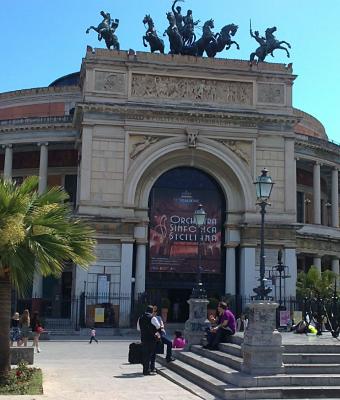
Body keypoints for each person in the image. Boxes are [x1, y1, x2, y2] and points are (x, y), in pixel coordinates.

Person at [137, 305, 161, 376]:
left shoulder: (140, 318)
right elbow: (158, 326)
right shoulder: (152, 318)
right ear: (151, 311)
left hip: (143, 338)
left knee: (145, 354)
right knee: (150, 354)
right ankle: (148, 370)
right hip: (151, 339)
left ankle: (145, 370)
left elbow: (138, 328)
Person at [150, 306, 174, 372]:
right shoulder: (151, 318)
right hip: (155, 336)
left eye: (155, 311)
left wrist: (161, 327)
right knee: (153, 352)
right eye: (153, 311)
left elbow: (161, 325)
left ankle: (168, 357)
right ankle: (151, 367)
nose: (154, 312)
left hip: (160, 335)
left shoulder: (158, 317)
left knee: (169, 343)